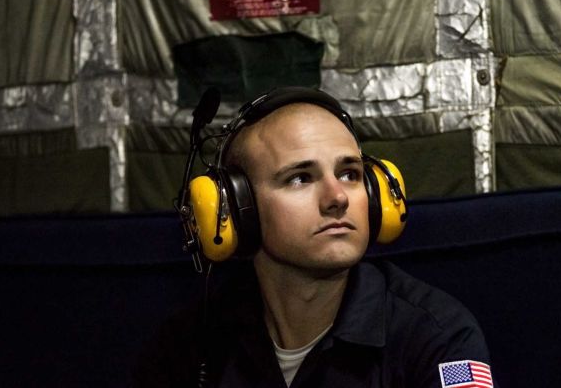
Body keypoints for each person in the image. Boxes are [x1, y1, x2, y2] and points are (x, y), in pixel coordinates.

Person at [133, 87, 493, 388]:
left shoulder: (437, 336)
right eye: (300, 178)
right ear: (238, 210)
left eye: (350, 174)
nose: (337, 197)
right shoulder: (187, 346)